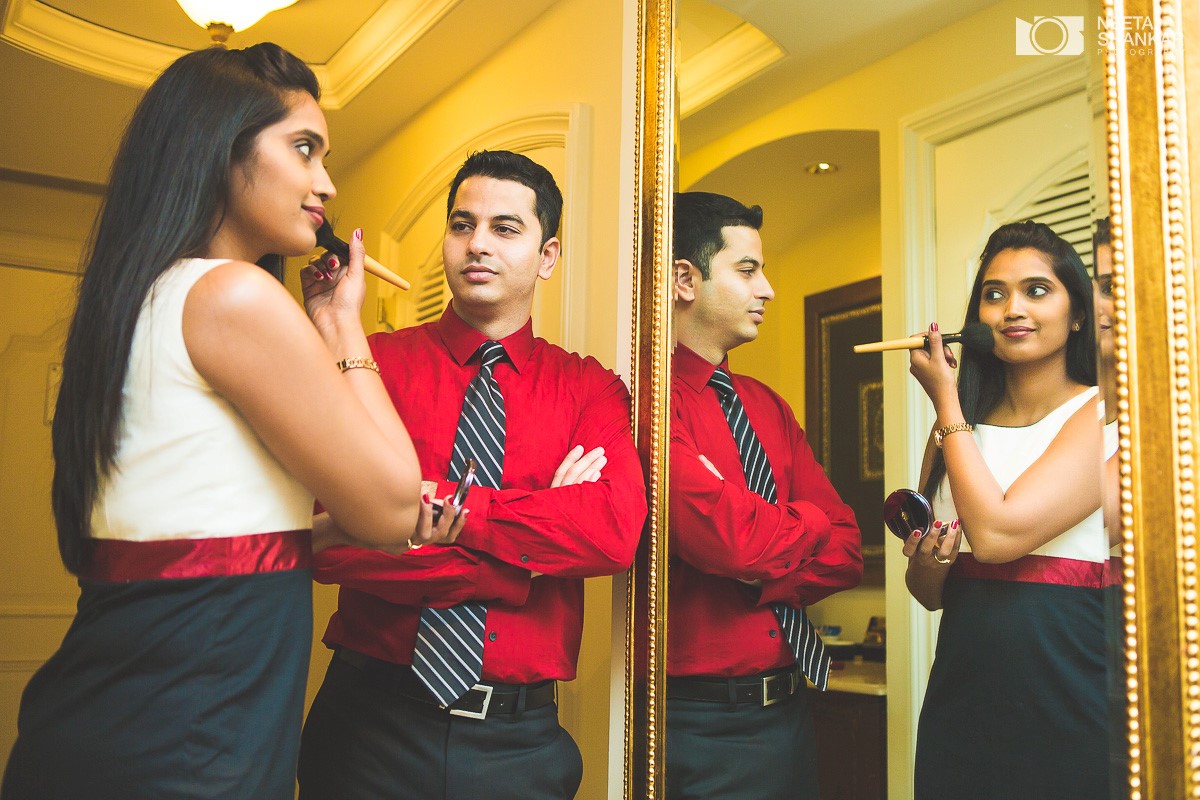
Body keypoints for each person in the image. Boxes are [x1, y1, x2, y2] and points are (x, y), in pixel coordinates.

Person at [0, 43, 449, 799]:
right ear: (221, 146)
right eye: (304, 149)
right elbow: (394, 507)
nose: (327, 184)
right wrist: (345, 330)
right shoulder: (233, 297)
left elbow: (204, 534)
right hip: (184, 743)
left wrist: (321, 534)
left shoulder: (144, 296)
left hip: (120, 725)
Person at [296, 150, 647, 800]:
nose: (477, 244)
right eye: (463, 224)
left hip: (519, 746)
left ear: (547, 255)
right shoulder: (371, 364)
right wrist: (531, 552)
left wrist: (434, 513)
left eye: (505, 228)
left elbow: (612, 534)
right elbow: (331, 544)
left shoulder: (589, 389)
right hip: (366, 727)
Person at [665, 191, 862, 799]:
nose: (768, 288)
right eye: (748, 270)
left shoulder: (767, 405)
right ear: (684, 279)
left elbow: (849, 547)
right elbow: (734, 543)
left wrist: (768, 566)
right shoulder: (650, 399)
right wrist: (804, 526)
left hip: (792, 710)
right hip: (697, 725)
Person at [903, 220, 1108, 799]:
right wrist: (927, 563)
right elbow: (931, 593)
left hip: (1072, 690)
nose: (1012, 309)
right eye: (994, 294)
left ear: (1076, 314)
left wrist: (945, 397)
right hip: (963, 698)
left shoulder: (1103, 415)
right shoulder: (958, 428)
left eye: (1037, 290)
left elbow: (996, 536)